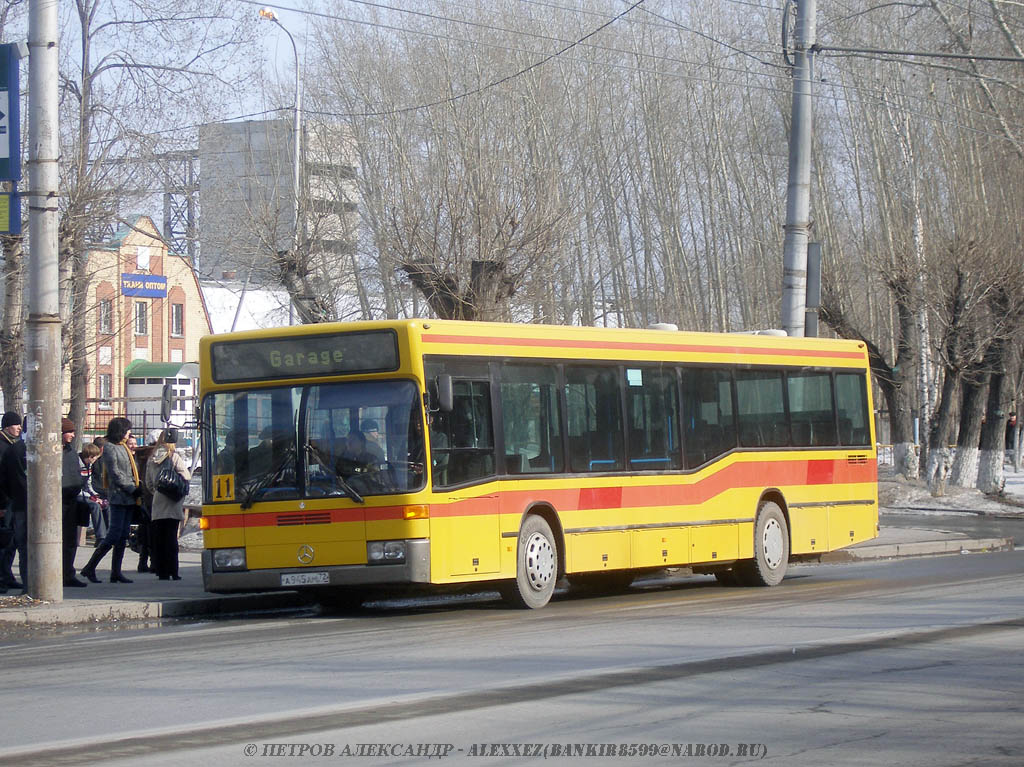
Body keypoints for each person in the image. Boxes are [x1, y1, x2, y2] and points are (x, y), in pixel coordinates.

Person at [80, 417, 141, 584]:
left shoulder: (124, 447)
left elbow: (129, 471)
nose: (129, 433)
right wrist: (132, 489)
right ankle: (89, 567)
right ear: (120, 430)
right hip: (119, 497)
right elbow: (115, 474)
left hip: (129, 498)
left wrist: (136, 487)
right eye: (127, 430)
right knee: (113, 535)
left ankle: (116, 572)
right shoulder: (110, 448)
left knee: (122, 536)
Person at [144, 428, 190, 580]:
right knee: (171, 538)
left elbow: (149, 483)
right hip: (172, 501)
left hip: (158, 501)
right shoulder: (173, 457)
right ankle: (173, 571)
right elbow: (186, 476)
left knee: (159, 538)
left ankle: (161, 571)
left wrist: (157, 491)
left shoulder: (152, 458)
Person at [60, 418, 88, 588]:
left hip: (72, 501)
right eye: (69, 432)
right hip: (58, 502)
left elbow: (76, 473)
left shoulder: (71, 452)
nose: (72, 435)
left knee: (71, 540)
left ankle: (68, 573)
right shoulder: (54, 452)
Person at [0, 411, 26, 591]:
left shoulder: (11, 444)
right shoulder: (3, 446)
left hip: (12, 498)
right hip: (5, 499)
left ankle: (7, 575)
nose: (19, 428)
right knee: (4, 540)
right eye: (16, 425)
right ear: (7, 425)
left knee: (12, 541)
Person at [79, 442, 106, 544]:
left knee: (105, 505)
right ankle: (101, 537)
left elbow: (88, 484)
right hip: (79, 495)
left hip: (86, 493)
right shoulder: (79, 465)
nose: (96, 460)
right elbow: (79, 486)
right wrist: (92, 498)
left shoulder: (89, 466)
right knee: (95, 506)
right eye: (95, 458)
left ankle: (106, 533)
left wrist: (96, 495)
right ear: (90, 457)